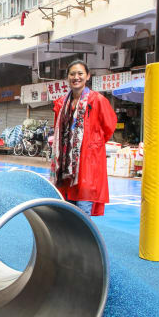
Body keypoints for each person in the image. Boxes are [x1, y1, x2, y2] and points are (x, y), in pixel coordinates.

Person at [51, 59, 117, 217]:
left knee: (83, 212)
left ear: (88, 76)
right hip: (66, 169)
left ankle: (84, 242)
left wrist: (91, 145)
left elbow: (109, 126)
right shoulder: (61, 104)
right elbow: (57, 131)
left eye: (80, 73)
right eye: (72, 74)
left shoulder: (97, 100)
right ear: (67, 77)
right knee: (67, 212)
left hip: (88, 166)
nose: (76, 77)